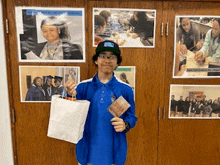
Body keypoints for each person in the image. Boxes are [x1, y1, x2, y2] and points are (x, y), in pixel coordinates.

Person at [65, 40, 137, 165]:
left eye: (112, 57)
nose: (107, 60)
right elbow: (71, 116)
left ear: (117, 63)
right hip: (87, 154)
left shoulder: (125, 89)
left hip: (114, 154)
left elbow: (132, 117)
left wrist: (125, 124)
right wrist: (70, 95)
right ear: (96, 60)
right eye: (103, 56)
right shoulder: (82, 87)